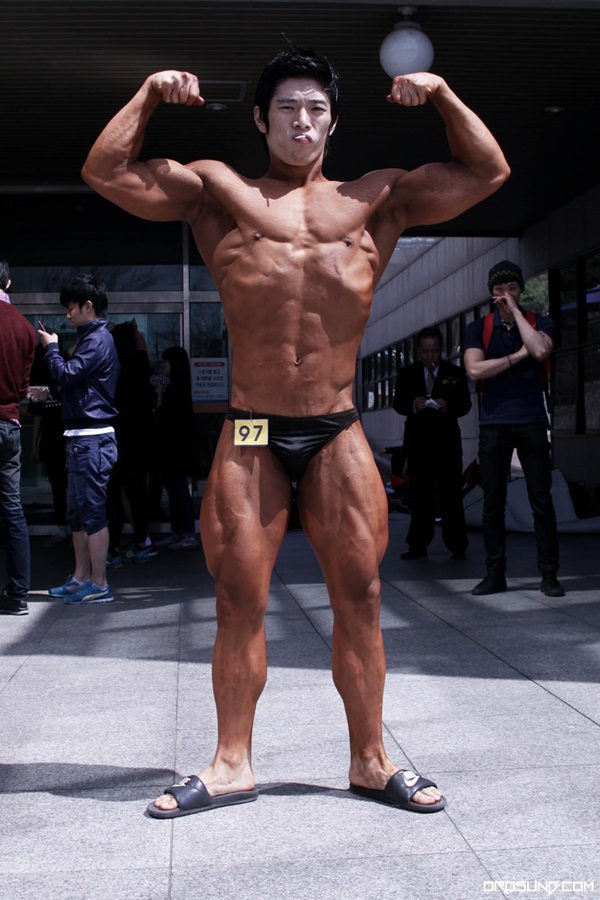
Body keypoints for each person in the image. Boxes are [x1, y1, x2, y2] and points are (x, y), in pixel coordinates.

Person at [81, 46, 509, 817]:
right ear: (261, 118)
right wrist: (147, 93)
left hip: (336, 427)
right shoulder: (220, 192)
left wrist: (443, 91)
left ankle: (372, 760)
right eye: (287, 108)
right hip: (252, 431)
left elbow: (488, 172)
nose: (302, 121)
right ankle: (230, 763)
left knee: (362, 595)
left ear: (333, 122)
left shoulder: (377, 199)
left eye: (315, 108)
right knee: (237, 596)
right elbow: (107, 172)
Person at [464, 260, 564, 598]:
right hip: (494, 424)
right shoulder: (478, 328)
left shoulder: (540, 322)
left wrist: (517, 315)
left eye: (511, 288)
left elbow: (540, 349)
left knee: (541, 501)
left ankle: (549, 575)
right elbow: (475, 370)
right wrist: (517, 357)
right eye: (499, 289)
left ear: (520, 290)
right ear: (491, 293)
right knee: (493, 503)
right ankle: (495, 575)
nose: (505, 295)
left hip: (532, 421)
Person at [28, 275, 120, 604]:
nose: (68, 315)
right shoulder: (92, 338)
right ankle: (81, 578)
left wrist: (51, 348)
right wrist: (50, 392)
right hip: (83, 439)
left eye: (71, 308)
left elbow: (68, 374)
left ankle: (99, 584)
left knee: (92, 515)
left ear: (88, 306)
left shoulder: (97, 340)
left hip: (92, 440)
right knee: (77, 516)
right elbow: (80, 385)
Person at [393, 326, 471, 560]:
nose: (430, 357)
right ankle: (418, 545)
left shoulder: (455, 373)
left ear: (441, 349)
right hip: (418, 445)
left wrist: (448, 407)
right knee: (420, 496)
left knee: (451, 496)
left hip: (447, 445)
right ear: (418, 351)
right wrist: (413, 405)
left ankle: (457, 545)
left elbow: (465, 405)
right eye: (425, 352)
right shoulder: (407, 374)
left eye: (434, 351)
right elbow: (398, 404)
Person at [0, 260, 36, 616]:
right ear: (8, 283)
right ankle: (19, 594)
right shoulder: (25, 328)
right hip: (10, 425)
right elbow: (23, 389)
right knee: (12, 510)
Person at [106, 320, 157, 565]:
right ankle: (140, 542)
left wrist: (102, 332)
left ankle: (112, 548)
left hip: (117, 438)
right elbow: (142, 348)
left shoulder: (111, 367)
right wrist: (134, 331)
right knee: (138, 493)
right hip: (141, 439)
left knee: (114, 493)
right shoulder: (140, 364)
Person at [152, 346, 199, 551]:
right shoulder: (180, 386)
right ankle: (178, 531)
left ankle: (186, 532)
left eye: (165, 361)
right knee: (175, 491)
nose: (162, 365)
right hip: (176, 449)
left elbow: (163, 415)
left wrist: (159, 396)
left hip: (176, 450)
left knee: (178, 491)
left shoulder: (176, 389)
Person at [29, 343, 69, 547]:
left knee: (66, 487)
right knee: (59, 486)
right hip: (53, 441)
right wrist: (34, 445)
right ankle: (64, 528)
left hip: (63, 440)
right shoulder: (42, 381)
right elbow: (38, 416)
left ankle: (72, 530)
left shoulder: (65, 377)